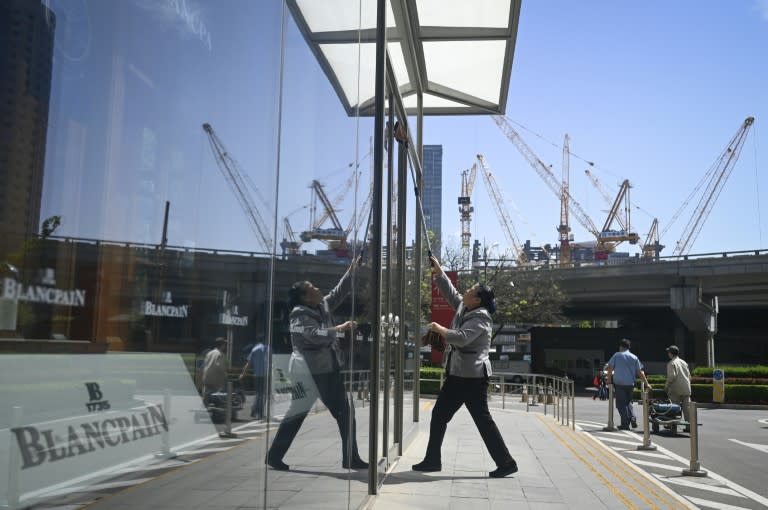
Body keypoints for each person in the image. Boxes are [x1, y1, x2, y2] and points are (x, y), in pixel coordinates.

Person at [412, 255, 518, 479]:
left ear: (477, 299)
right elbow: (451, 292)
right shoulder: (466, 307)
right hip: (461, 374)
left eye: (471, 289)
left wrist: (440, 329)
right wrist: (439, 271)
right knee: (456, 416)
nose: (466, 290)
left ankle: (435, 460)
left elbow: (460, 338)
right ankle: (504, 462)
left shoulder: (481, 317)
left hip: (470, 377)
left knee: (455, 416)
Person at [266, 257, 368, 471]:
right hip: (313, 371)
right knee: (341, 413)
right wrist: (339, 329)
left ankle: (275, 455)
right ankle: (350, 457)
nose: (318, 288)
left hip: (325, 369)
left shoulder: (321, 305)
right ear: (304, 297)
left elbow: (339, 292)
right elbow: (314, 335)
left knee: (302, 413)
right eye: (312, 288)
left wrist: (352, 269)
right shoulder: (298, 315)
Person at [606, 338, 652, 430]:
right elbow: (640, 372)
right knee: (628, 402)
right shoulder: (634, 357)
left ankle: (625, 424)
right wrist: (647, 383)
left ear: (621, 346)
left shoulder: (617, 355)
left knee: (621, 404)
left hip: (619, 384)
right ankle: (633, 417)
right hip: (630, 384)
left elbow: (610, 368)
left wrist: (609, 380)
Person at [239, 338, 269, 419]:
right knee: (263, 394)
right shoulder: (268, 349)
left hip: (257, 375)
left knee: (259, 394)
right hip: (266, 376)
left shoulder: (255, 349)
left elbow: (248, 363)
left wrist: (243, 374)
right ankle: (259, 412)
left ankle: (255, 410)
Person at [664, 345, 691, 432]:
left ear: (671, 353)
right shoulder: (684, 362)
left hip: (676, 389)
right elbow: (689, 376)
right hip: (686, 388)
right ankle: (689, 427)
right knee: (687, 409)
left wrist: (666, 386)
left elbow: (672, 376)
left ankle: (671, 424)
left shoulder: (671, 363)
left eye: (668, 352)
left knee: (674, 407)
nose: (668, 354)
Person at [202, 337, 229, 402]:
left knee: (207, 394)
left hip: (206, 377)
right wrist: (226, 376)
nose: (225, 346)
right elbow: (220, 366)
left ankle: (205, 405)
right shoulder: (220, 354)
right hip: (215, 379)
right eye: (224, 344)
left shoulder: (209, 353)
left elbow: (205, 364)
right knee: (221, 394)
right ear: (222, 345)